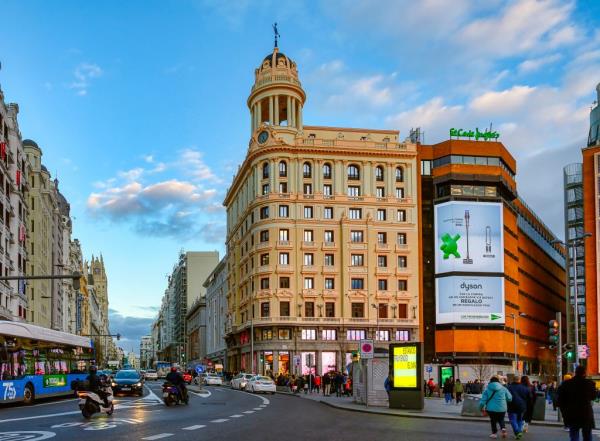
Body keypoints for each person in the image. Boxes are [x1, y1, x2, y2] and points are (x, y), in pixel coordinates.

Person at [557, 365, 597, 441]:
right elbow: (593, 397)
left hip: (572, 413)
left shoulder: (567, 384)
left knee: (574, 435)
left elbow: (560, 400)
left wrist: (564, 412)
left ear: (575, 373)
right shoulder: (589, 383)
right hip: (586, 413)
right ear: (584, 373)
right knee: (587, 435)